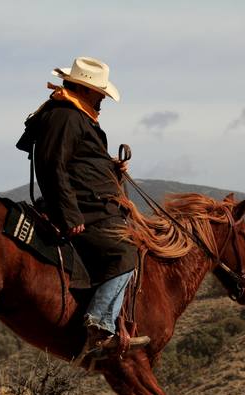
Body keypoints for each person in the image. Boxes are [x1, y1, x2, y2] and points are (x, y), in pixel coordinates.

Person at [16, 56, 147, 360]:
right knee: (125, 252)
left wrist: (110, 168)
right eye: (99, 92)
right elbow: (52, 165)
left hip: (90, 205)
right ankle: (100, 324)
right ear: (86, 90)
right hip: (85, 210)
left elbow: (78, 164)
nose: (102, 98)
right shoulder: (66, 117)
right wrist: (69, 214)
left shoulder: (73, 115)